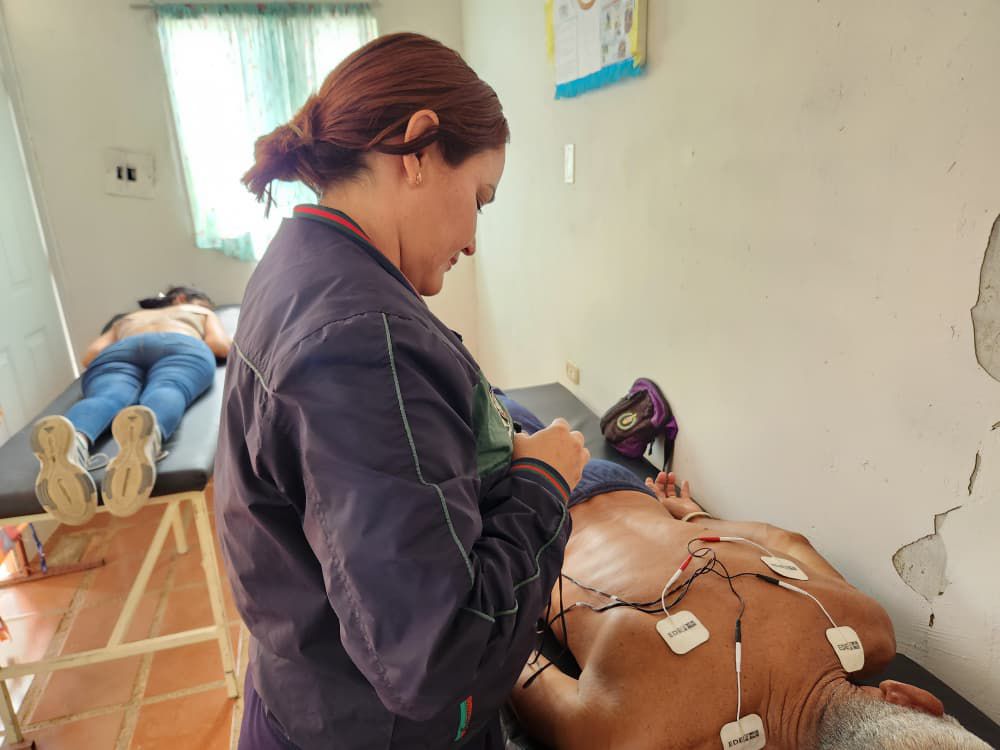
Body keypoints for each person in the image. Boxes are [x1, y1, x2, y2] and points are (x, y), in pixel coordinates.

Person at [214, 33, 590, 750]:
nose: (474, 241)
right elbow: (437, 659)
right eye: (480, 198)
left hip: (304, 693)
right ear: (418, 149)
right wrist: (544, 484)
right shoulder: (360, 341)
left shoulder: (300, 260)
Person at [501, 399, 991, 750]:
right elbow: (507, 649)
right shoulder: (626, 734)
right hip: (526, 510)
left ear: (914, 700)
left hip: (615, 492)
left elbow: (786, 541)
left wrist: (690, 517)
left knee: (485, 402)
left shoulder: (869, 628)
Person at [30, 286, 231, 526]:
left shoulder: (127, 318)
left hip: (121, 350)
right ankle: (147, 438)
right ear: (182, 299)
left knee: (107, 396)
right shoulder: (200, 313)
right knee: (169, 386)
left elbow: (91, 355)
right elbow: (220, 346)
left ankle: (75, 442)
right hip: (181, 343)